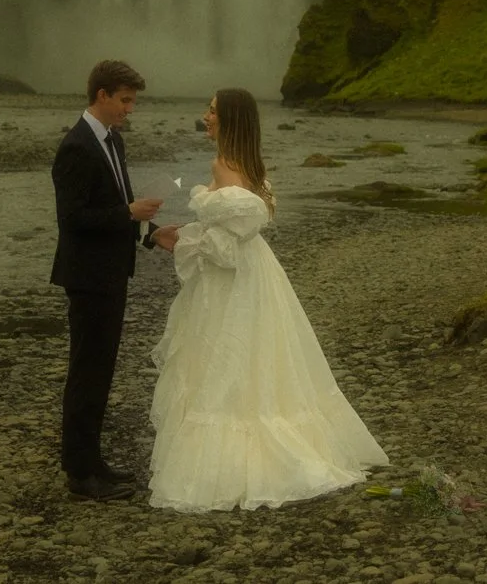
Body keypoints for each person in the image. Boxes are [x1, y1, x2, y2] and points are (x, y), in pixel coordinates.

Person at [148, 88, 386, 511]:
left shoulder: (223, 165)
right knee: (263, 356)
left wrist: (182, 243)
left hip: (232, 281)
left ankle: (232, 464)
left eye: (213, 111)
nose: (205, 117)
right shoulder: (251, 164)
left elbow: (225, 247)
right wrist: (190, 234)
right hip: (258, 273)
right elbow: (234, 230)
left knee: (226, 359)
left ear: (230, 120)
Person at [50, 59, 163, 500]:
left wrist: (153, 236)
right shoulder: (76, 147)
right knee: (86, 374)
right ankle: (80, 473)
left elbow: (119, 207)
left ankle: (93, 461)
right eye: (125, 100)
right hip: (88, 277)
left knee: (100, 373)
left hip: (111, 274)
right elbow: (73, 219)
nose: (129, 109)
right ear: (102, 96)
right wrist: (128, 214)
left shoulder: (112, 141)